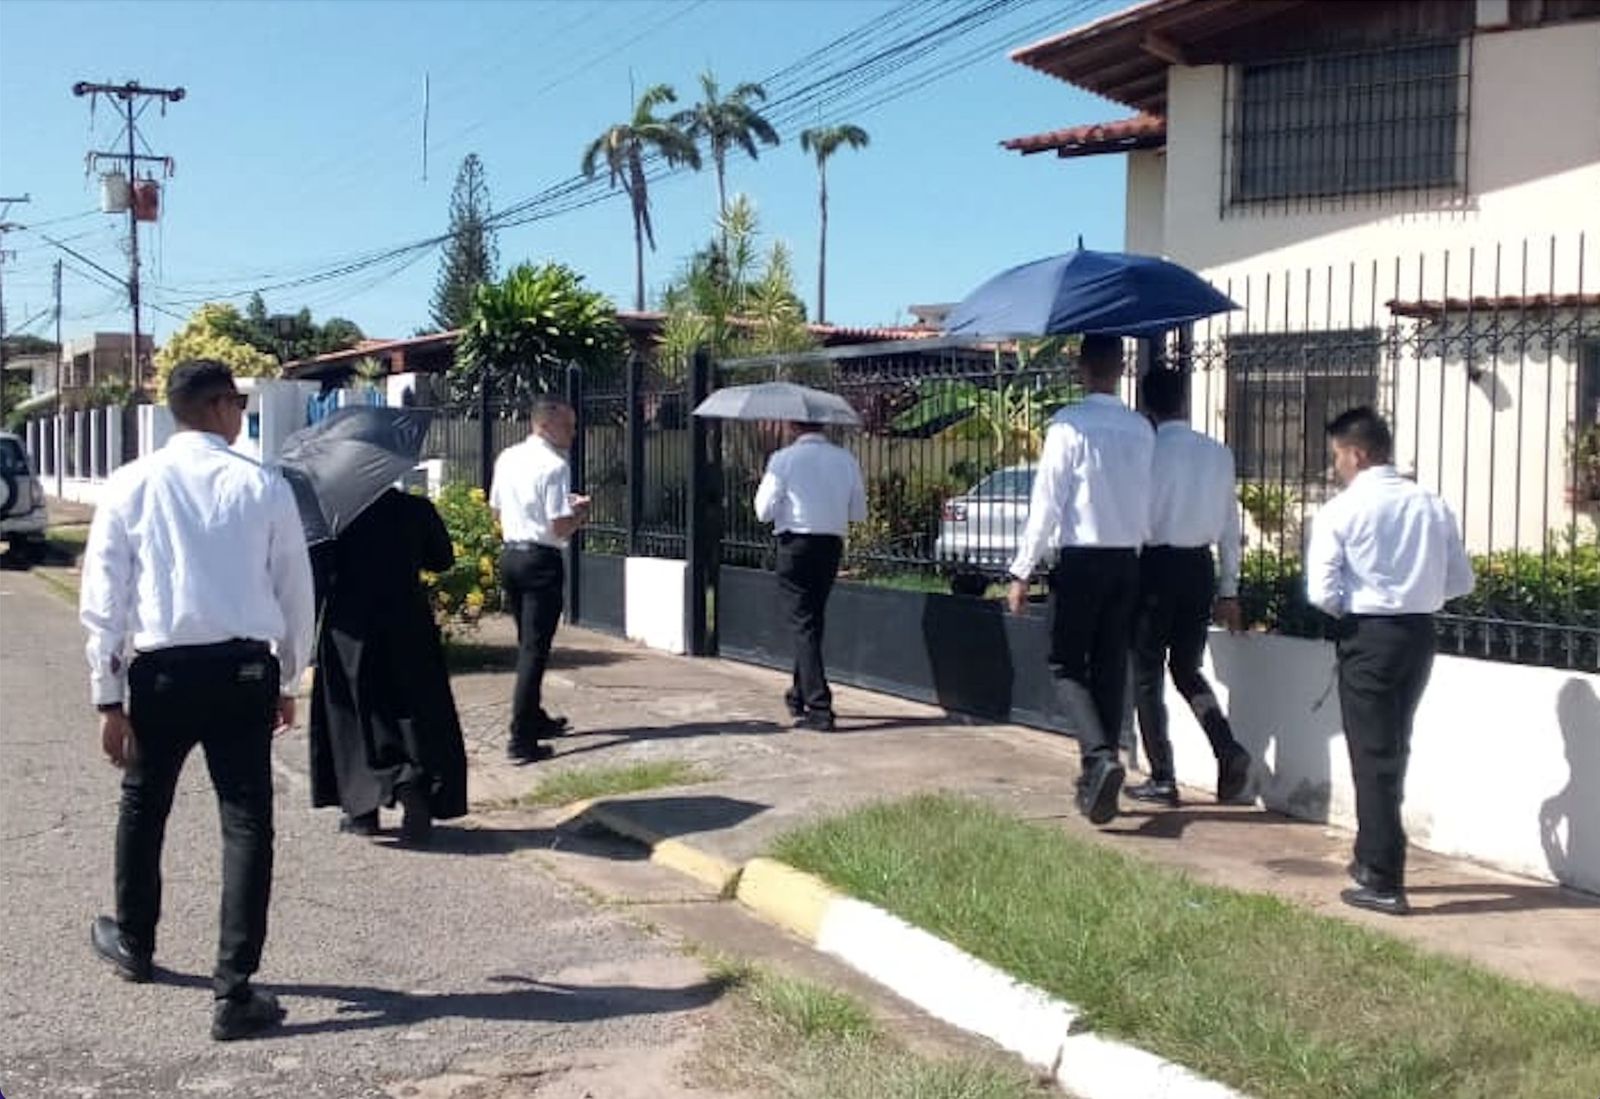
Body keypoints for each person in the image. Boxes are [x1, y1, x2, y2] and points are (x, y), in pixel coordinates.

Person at [79, 359, 315, 1041]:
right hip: (243, 669)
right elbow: (294, 588)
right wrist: (290, 676)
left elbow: (106, 597)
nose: (242, 413)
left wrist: (107, 695)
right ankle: (233, 988)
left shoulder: (131, 483)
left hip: (160, 674)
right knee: (246, 821)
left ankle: (134, 941)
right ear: (215, 407)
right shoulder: (262, 485)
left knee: (143, 803)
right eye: (237, 402)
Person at [1307, 406, 1474, 916]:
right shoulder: (1431, 503)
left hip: (1370, 635)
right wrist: (1416, 595)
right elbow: (1460, 581)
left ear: (1356, 454)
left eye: (1337, 455)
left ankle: (1382, 878)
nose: (1336, 465)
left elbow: (1322, 591)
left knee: (1373, 758)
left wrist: (1359, 611)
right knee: (1392, 748)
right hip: (1418, 634)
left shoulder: (1342, 509)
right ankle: (1369, 857)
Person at [1006, 334, 1153, 825]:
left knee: (1065, 663)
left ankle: (1098, 756)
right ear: (1119, 368)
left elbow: (1047, 502)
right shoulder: (1141, 429)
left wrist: (1022, 569)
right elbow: (1148, 499)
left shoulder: (1068, 424)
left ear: (1081, 368)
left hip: (1082, 559)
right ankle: (1100, 776)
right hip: (1128, 560)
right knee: (1111, 667)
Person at [307, 487, 468, 846]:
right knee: (412, 707)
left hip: (349, 627)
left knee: (354, 713)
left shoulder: (334, 515)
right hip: (406, 621)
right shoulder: (414, 508)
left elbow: (316, 571)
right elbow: (441, 559)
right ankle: (414, 787)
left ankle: (362, 808)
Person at [1127, 369, 1252, 808]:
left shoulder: (1144, 452)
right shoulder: (1218, 454)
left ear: (1147, 406)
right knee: (1186, 668)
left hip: (1155, 566)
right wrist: (1229, 589)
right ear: (1184, 401)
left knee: (1145, 673)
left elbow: (1135, 519)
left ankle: (1162, 776)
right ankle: (1227, 746)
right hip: (1200, 567)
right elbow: (1230, 527)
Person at [490, 397, 589, 764]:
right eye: (568, 426)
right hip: (540, 560)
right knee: (535, 651)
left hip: (511, 554)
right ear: (545, 424)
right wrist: (580, 513)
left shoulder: (507, 457)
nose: (573, 434)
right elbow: (558, 525)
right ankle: (521, 739)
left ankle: (534, 717)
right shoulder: (554, 465)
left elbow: (496, 508)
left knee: (526, 642)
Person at [754, 419, 867, 731]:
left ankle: (820, 708)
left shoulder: (783, 460)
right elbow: (858, 510)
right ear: (824, 425)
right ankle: (798, 693)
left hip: (796, 543)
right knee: (811, 619)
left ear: (792, 425)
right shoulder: (845, 459)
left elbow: (762, 511)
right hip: (830, 544)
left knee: (803, 622)